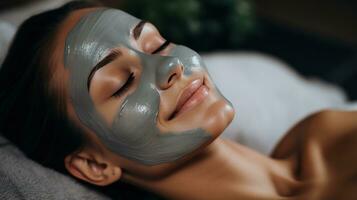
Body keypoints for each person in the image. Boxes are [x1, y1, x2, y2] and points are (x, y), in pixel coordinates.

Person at [1, 1, 356, 199]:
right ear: (95, 165)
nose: (170, 65)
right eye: (123, 83)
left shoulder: (320, 134)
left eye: (156, 44)